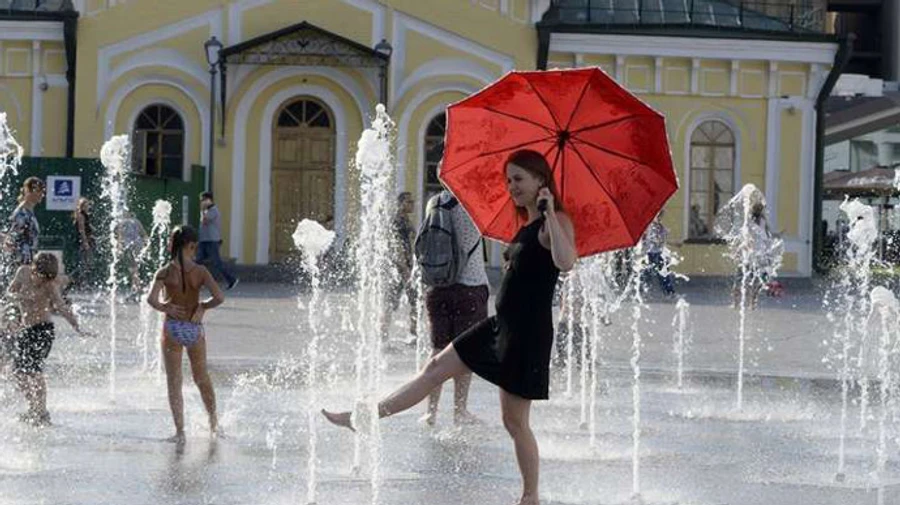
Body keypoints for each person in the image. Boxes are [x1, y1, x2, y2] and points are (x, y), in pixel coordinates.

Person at [323, 149, 577, 505]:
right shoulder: (523, 226)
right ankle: (364, 417)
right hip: (499, 326)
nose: (512, 186)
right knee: (434, 368)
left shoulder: (556, 223)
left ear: (540, 180)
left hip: (526, 336)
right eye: (509, 180)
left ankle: (530, 496)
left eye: (519, 179)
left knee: (515, 422)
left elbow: (566, 262)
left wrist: (549, 213)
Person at [147, 225, 225, 443]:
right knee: (201, 377)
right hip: (194, 327)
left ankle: (180, 432)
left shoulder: (164, 272)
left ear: (172, 245)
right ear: (192, 246)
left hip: (172, 328)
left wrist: (166, 307)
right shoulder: (200, 271)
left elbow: (151, 299)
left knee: (174, 381)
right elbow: (219, 297)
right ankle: (213, 424)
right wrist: (203, 307)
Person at [419, 188, 488, 427]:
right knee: (465, 352)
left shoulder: (434, 202)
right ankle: (460, 410)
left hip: (438, 286)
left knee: (437, 350)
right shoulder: (476, 203)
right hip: (470, 287)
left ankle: (431, 411)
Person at [7, 252, 86, 426]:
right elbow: (9, 292)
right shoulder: (22, 273)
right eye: (42, 277)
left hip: (43, 331)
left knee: (35, 371)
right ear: (34, 269)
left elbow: (62, 307)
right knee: (18, 372)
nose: (44, 281)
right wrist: (20, 298)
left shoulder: (50, 285)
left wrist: (77, 327)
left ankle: (42, 412)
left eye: (49, 277)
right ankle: (33, 407)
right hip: (25, 330)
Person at [382, 191, 417, 344]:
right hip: (399, 268)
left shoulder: (406, 220)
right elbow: (396, 246)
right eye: (409, 202)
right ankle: (383, 336)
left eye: (412, 201)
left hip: (407, 266)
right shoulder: (397, 221)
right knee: (390, 302)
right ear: (401, 203)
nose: (412, 204)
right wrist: (405, 269)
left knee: (415, 301)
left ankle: (413, 334)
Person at [731, 202, 772, 310]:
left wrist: (737, 251)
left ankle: (737, 303)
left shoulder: (751, 222)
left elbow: (744, 239)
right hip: (756, 256)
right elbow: (767, 239)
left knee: (740, 279)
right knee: (754, 281)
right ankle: (751, 303)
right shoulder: (761, 222)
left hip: (750, 256)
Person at [196, 192, 238, 290]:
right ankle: (198, 282)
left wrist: (202, 210)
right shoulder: (207, 211)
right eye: (201, 200)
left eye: (203, 200)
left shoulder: (213, 210)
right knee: (198, 262)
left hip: (211, 241)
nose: (202, 202)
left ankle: (231, 279)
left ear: (209, 200)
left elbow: (204, 221)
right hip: (204, 240)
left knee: (217, 263)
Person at [3, 177, 44, 271]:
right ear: (29, 191)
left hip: (27, 259)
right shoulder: (22, 212)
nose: (42, 194)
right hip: (21, 261)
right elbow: (13, 237)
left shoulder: (29, 211)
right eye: (39, 191)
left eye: (42, 191)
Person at [642, 210, 675, 296]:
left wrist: (671, 243)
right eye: (658, 216)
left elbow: (663, 240)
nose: (659, 218)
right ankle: (644, 289)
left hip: (658, 252)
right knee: (647, 272)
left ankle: (668, 290)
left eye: (660, 216)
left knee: (663, 271)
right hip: (650, 253)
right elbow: (651, 239)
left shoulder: (661, 227)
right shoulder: (650, 227)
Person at [117, 210, 148, 299]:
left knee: (132, 268)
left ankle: (136, 289)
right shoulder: (136, 221)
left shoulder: (122, 222)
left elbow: (120, 236)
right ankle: (136, 287)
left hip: (129, 246)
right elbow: (144, 233)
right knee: (135, 267)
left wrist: (119, 248)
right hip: (138, 245)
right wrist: (147, 245)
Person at [72, 197, 96, 289]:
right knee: (83, 263)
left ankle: (84, 282)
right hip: (84, 242)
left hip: (89, 240)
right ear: (82, 206)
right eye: (86, 205)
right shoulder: (80, 215)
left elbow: (87, 226)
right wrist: (85, 242)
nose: (88, 207)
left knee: (87, 263)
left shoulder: (85, 215)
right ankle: (79, 282)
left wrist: (92, 229)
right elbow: (81, 230)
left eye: (88, 205)